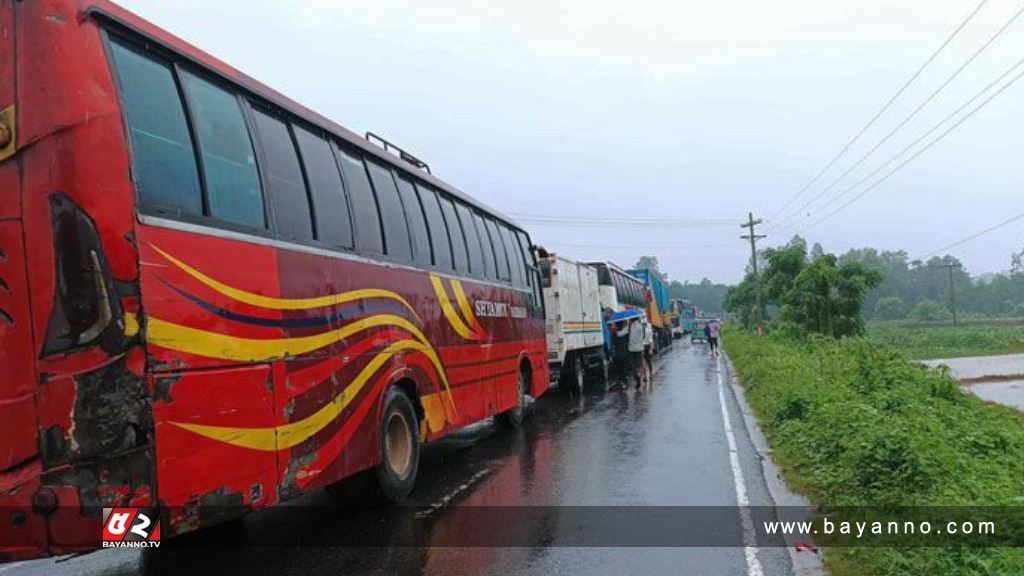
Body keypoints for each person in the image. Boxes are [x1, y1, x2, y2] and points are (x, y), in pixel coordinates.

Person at [627, 317, 646, 389]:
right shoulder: (641, 326)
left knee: (634, 365)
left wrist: (616, 333)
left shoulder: (629, 326)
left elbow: (622, 333)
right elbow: (643, 337)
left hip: (631, 349)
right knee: (639, 365)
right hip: (640, 348)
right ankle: (639, 374)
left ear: (631, 319)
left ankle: (637, 377)